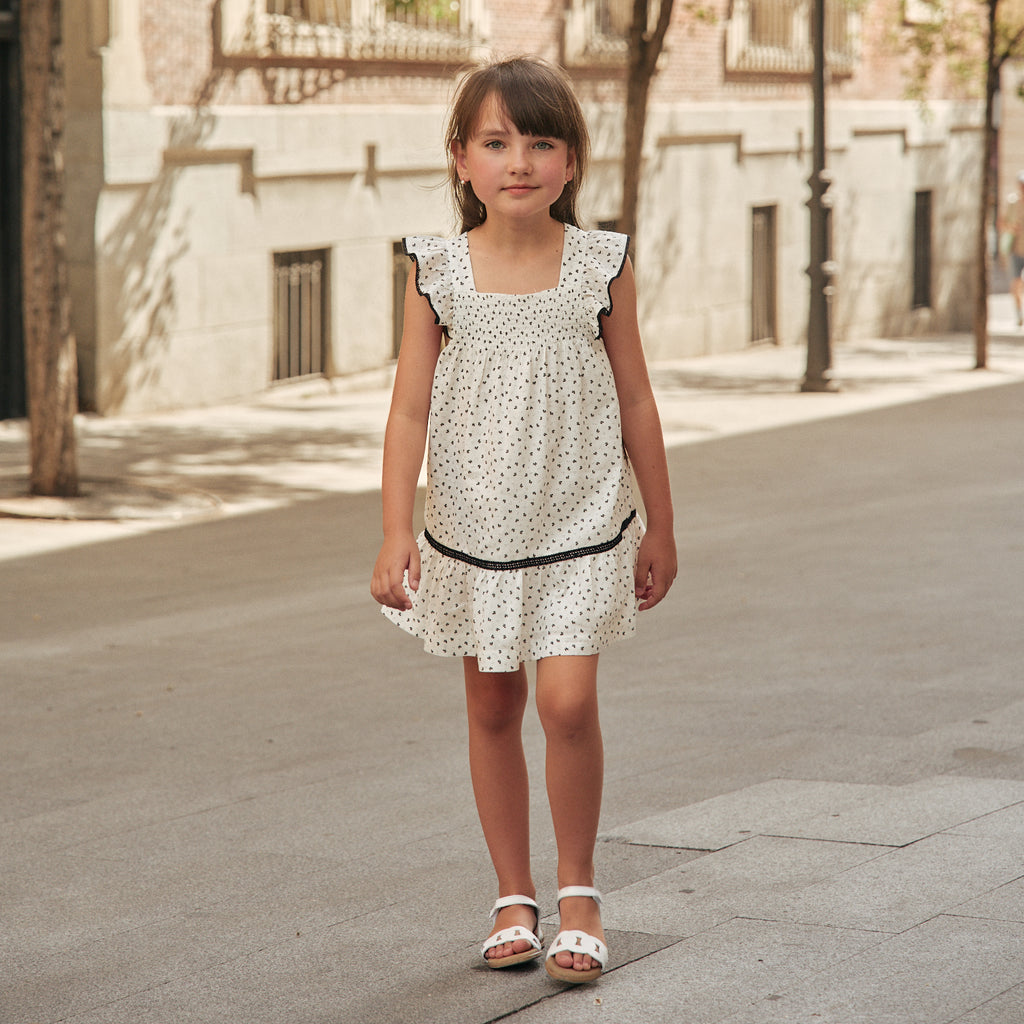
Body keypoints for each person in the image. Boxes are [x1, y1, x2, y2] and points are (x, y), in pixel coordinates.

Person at [370, 55, 677, 985]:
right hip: (473, 527)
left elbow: (636, 400)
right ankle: (515, 894)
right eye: (496, 142)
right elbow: (408, 410)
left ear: (572, 160)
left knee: (566, 700)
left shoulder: (600, 263)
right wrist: (394, 531)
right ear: (461, 158)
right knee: (493, 702)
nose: (519, 161)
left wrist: (661, 524)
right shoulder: (437, 270)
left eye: (541, 142)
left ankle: (579, 890)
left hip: (582, 518)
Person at [1000, 173, 1024, 326]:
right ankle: (1018, 314)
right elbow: (1002, 223)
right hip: (1016, 250)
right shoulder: (1012, 202)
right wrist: (1012, 228)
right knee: (1016, 283)